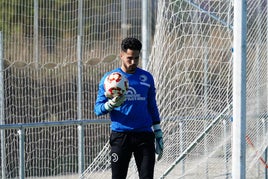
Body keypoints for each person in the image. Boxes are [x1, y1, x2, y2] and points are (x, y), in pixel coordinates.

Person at [94, 37, 163, 179]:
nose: (133, 62)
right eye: (129, 58)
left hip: (144, 136)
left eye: (136, 58)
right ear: (121, 55)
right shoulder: (109, 79)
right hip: (120, 137)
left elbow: (152, 105)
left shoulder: (146, 77)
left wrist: (158, 132)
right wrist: (110, 104)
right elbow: (98, 109)